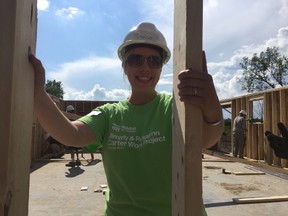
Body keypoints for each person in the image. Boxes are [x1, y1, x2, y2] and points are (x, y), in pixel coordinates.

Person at [29, 22, 224, 216]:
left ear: (161, 68)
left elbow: (205, 139)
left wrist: (212, 109)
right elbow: (71, 134)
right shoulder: (109, 114)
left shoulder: (174, 108)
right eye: (136, 60)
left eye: (154, 61)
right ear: (124, 66)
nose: (145, 67)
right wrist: (37, 94)